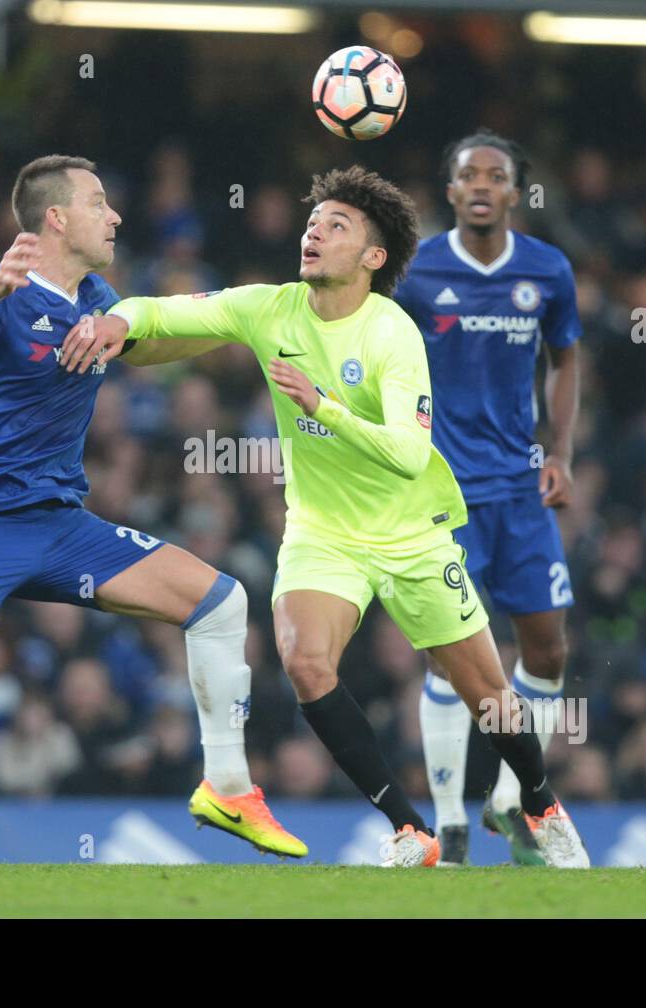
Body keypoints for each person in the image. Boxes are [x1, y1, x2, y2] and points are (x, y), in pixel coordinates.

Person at [65, 165, 588, 868]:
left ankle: (539, 799)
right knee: (307, 662)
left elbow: (408, 453)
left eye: (336, 226)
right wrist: (116, 319)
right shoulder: (270, 308)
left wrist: (323, 408)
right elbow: (166, 313)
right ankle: (411, 831)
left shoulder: (391, 336)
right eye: (314, 221)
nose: (314, 231)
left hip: (411, 535)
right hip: (323, 534)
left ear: (373, 257)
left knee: (490, 699)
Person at [0, 155, 305, 863]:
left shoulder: (99, 296)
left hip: (63, 525)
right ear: (56, 217)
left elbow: (147, 346)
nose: (115, 216)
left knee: (223, 603)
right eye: (99, 203)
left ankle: (227, 788)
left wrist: (239, 328)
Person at [394, 130, 581, 865]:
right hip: (440, 497)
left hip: (520, 493)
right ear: (448, 191)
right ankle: (450, 819)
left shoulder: (546, 270)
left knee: (548, 650)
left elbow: (566, 357)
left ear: (514, 192)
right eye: (467, 173)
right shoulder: (415, 270)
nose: (480, 184)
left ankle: (510, 800)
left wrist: (560, 450)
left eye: (495, 175)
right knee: (453, 660)